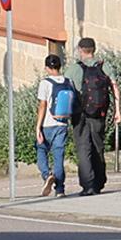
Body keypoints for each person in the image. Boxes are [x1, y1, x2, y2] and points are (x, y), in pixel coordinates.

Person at [64, 38, 121, 196]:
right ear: (94, 49)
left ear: (81, 50)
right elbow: (115, 87)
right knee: (98, 146)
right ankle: (99, 182)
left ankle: (88, 185)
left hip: (79, 114)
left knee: (83, 148)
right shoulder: (104, 66)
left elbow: (64, 90)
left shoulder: (74, 69)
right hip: (99, 113)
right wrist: (118, 111)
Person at [35, 54, 75, 198]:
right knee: (59, 157)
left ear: (47, 68)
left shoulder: (45, 83)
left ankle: (47, 176)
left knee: (41, 150)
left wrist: (38, 127)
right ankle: (60, 190)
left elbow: (42, 106)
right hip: (62, 124)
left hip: (47, 124)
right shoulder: (69, 82)